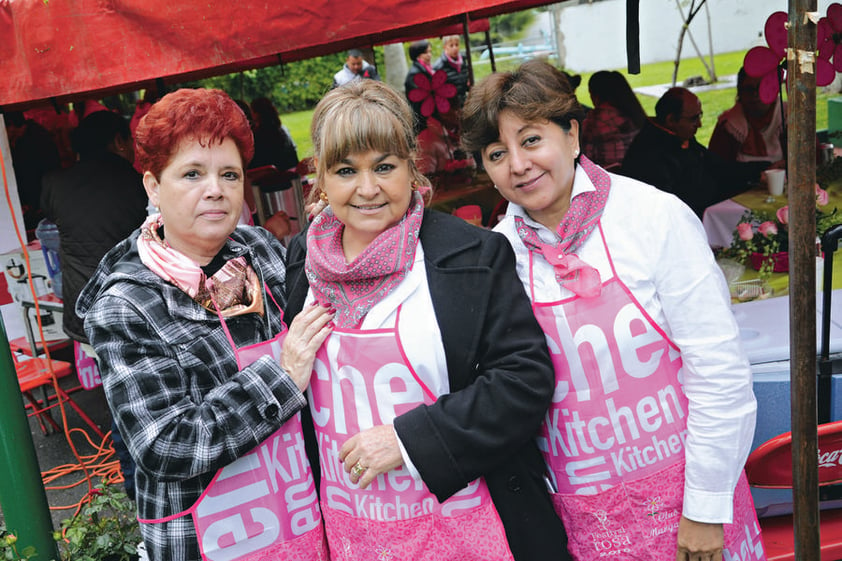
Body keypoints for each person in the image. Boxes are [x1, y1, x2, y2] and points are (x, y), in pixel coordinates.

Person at [461, 59, 762, 560]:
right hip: (584, 522)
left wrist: (706, 508)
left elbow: (719, 371)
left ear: (573, 135)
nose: (517, 164)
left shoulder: (652, 216)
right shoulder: (496, 257)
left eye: (532, 139)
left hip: (691, 508)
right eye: (497, 153)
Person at [284, 79, 570, 560]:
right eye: (346, 170)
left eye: (385, 167)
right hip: (354, 529)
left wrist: (408, 440)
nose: (368, 188)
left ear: (412, 170)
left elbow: (524, 380)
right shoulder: (301, 262)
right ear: (321, 179)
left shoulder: (472, 256)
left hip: (468, 525)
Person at [76, 88, 334, 561]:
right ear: (152, 185)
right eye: (192, 173)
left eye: (229, 174)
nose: (215, 189)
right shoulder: (126, 306)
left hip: (300, 514)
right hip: (204, 540)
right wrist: (282, 376)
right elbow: (164, 444)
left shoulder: (260, 251)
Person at [41, 110, 147, 344]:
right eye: (130, 140)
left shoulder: (54, 183)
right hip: (131, 307)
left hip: (82, 310)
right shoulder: (139, 184)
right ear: (119, 142)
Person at [621, 86, 772, 218]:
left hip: (708, 209)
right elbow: (677, 201)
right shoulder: (650, 152)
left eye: (700, 116)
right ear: (671, 120)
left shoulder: (678, 136)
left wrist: (763, 169)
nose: (699, 124)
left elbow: (717, 165)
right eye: (693, 119)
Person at [708, 67, 785, 163]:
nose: (755, 94)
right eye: (749, 89)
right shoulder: (728, 125)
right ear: (740, 92)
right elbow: (716, 166)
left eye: (761, 88)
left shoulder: (788, 117)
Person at [4, 111, 62, 232]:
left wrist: (34, 204)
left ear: (11, 126)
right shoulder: (21, 139)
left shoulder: (37, 139)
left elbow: (37, 174)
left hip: (42, 202)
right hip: (36, 202)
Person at [580, 70, 647, 170]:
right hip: (640, 173)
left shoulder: (595, 120)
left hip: (608, 178)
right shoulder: (634, 113)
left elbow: (585, 158)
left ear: (594, 94)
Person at [249, 96, 299, 172]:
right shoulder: (282, 130)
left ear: (256, 114)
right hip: (294, 176)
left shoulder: (257, 136)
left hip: (274, 179)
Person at [404, 39, 435, 132]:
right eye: (425, 52)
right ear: (418, 55)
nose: (429, 55)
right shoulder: (415, 74)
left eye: (430, 52)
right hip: (421, 118)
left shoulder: (426, 69)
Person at [433, 34, 470, 108]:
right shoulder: (439, 66)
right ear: (445, 47)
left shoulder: (463, 61)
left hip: (464, 101)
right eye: (451, 45)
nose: (455, 48)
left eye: (457, 45)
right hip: (449, 106)